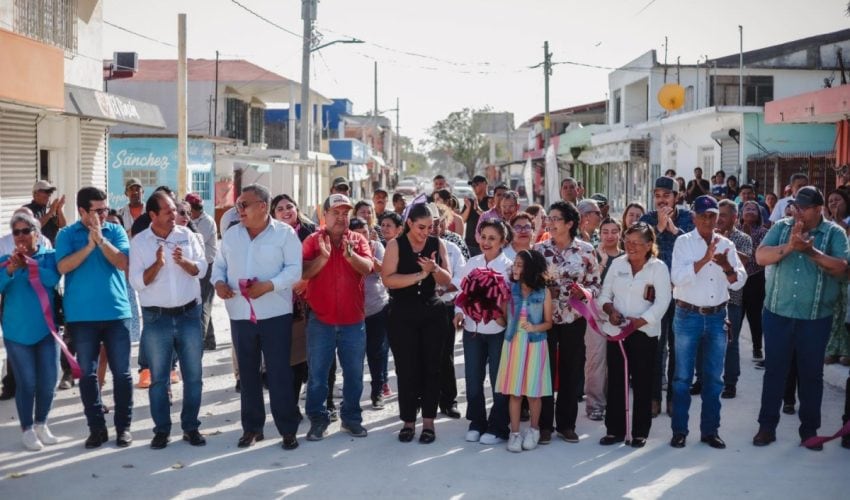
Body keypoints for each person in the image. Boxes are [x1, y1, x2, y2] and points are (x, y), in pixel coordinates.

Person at [752, 186, 850, 451]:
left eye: (804, 207)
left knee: (811, 375)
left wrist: (810, 252)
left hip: (815, 318)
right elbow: (761, 256)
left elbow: (842, 268)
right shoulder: (783, 227)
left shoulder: (834, 233)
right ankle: (766, 427)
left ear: (819, 209)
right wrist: (791, 247)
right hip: (777, 314)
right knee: (775, 372)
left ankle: (809, 432)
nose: (798, 212)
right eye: (796, 206)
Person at [211, 184, 303, 450]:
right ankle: (252, 429)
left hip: (275, 314)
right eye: (238, 204)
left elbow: (294, 271)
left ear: (263, 206)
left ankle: (287, 429)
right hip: (240, 314)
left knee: (279, 374)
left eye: (244, 204)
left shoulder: (284, 234)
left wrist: (269, 285)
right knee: (247, 376)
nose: (238, 209)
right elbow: (219, 267)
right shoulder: (231, 236)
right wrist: (218, 283)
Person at [56, 186, 133, 449]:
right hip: (81, 317)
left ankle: (123, 428)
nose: (104, 214)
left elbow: (123, 262)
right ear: (81, 211)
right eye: (98, 210)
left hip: (116, 313)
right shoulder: (66, 234)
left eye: (106, 209)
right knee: (87, 375)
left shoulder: (116, 230)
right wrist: (89, 246)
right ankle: (97, 428)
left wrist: (101, 240)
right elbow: (63, 266)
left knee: (122, 374)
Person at [129, 192, 207, 449]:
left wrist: (183, 262)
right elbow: (137, 282)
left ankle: (191, 427)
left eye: (175, 210)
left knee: (193, 376)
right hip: (157, 319)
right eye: (168, 211)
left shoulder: (188, 236)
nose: (174, 215)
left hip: (188, 315)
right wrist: (158, 264)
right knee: (159, 379)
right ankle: (161, 430)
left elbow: (202, 269)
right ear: (152, 215)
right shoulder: (140, 243)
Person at [669, 195, 746, 450]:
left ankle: (710, 431)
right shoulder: (683, 242)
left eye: (712, 215)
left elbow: (738, 281)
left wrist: (725, 265)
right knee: (682, 378)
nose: (707, 219)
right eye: (702, 215)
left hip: (716, 318)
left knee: (714, 378)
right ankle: (679, 430)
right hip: (687, 315)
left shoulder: (726, 244)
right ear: (693, 217)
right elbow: (678, 278)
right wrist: (704, 260)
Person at [301, 194, 372, 441]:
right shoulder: (313, 240)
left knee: (353, 374)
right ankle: (318, 419)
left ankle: (351, 419)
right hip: (321, 320)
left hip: (354, 321)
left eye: (345, 213)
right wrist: (323, 257)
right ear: (324, 215)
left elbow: (368, 268)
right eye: (336, 213)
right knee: (318, 375)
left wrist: (351, 256)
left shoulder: (358, 239)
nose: (341, 218)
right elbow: (303, 273)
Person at [382, 203, 452, 444]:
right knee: (407, 368)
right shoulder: (395, 245)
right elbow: (388, 280)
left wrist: (434, 269)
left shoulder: (436, 244)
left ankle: (429, 422)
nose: (426, 231)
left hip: (432, 312)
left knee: (432, 367)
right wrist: (420, 275)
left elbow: (447, 280)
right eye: (421, 226)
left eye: (430, 227)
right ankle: (409, 421)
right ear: (409, 223)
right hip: (402, 313)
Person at [598, 222, 671, 447]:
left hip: (644, 332)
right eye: (628, 242)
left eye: (637, 243)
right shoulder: (617, 264)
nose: (631, 247)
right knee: (617, 381)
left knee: (643, 382)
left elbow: (663, 302)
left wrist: (639, 322)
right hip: (617, 332)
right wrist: (610, 311)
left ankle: (640, 431)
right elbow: (604, 295)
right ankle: (615, 430)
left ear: (649, 245)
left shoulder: (658, 268)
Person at [534, 201, 601, 444]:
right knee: (544, 370)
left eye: (555, 219)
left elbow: (596, 285)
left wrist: (583, 292)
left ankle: (566, 424)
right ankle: (543, 425)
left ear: (570, 223)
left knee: (571, 370)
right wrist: (544, 293)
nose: (550, 223)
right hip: (546, 320)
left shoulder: (586, 250)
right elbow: (529, 285)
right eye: (549, 218)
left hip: (574, 318)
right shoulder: (539, 250)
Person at [0, 213, 61, 450]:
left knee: (49, 380)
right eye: (17, 232)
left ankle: (41, 424)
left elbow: (52, 280)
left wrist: (31, 265)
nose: (22, 236)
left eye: (26, 231)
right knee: (27, 382)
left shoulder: (49, 257)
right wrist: (11, 271)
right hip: (17, 332)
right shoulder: (6, 259)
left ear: (37, 233)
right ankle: (27, 429)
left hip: (46, 330)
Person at [453, 220, 512, 445]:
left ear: (502, 242)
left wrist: (502, 316)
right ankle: (476, 422)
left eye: (492, 238)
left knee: (498, 380)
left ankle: (498, 426)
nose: (486, 242)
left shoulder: (509, 266)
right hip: (472, 331)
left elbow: (511, 301)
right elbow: (462, 293)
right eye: (484, 236)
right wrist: (459, 312)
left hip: (498, 330)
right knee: (473, 379)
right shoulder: (472, 263)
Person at [640, 177, 694, 418]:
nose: (662, 200)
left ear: (676, 196)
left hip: (681, 294)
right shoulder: (647, 219)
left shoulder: (688, 218)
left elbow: (695, 247)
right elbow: (639, 247)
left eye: (666, 195)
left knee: (678, 348)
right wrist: (659, 228)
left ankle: (674, 398)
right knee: (655, 347)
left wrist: (673, 229)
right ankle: (652, 398)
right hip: (653, 294)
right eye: (658, 195)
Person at [691, 200, 753, 399]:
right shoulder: (703, 236)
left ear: (735, 217)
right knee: (700, 341)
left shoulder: (742, 238)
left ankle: (730, 383)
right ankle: (700, 379)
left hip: (731, 299)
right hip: (703, 299)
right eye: (719, 214)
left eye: (724, 215)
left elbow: (744, 261)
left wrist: (727, 247)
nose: (719, 219)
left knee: (730, 343)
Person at [496, 249, 553, 452]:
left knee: (534, 393)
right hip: (514, 343)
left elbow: (548, 323)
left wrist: (534, 327)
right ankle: (515, 433)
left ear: (530, 268)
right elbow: (504, 319)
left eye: (520, 265)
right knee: (515, 392)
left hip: (536, 344)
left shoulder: (544, 292)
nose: (515, 268)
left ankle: (534, 430)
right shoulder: (510, 289)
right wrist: (494, 314)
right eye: (515, 264)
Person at [271, 193, 315, 416]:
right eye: (280, 208)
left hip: (308, 305)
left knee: (305, 359)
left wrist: (306, 280)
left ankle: (318, 405)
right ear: (273, 214)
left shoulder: (310, 233)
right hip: (278, 304)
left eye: (290, 206)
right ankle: (289, 404)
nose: (286, 211)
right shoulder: (267, 237)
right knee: (287, 359)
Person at [348, 217, 391, 409]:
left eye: (364, 232)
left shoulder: (376, 246)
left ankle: (377, 391)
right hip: (352, 312)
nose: (361, 237)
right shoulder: (345, 248)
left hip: (376, 308)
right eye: (357, 233)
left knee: (377, 352)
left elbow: (385, 271)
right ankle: (353, 398)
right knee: (354, 357)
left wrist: (369, 257)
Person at [432, 206, 467, 419]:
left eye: (439, 221)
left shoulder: (452, 248)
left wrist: (443, 288)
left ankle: (448, 400)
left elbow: (461, 278)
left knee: (445, 356)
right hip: (421, 307)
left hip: (444, 307)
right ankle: (424, 400)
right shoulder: (412, 245)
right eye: (430, 222)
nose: (435, 227)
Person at [576, 199, 605, 420]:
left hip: (598, 306)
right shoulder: (574, 242)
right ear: (585, 216)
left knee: (596, 357)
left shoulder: (602, 236)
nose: (600, 215)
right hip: (574, 307)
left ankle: (595, 403)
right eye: (597, 212)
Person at [186, 193, 218, 351]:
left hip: (208, 266)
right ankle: (209, 341)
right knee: (204, 304)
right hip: (198, 266)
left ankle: (199, 341)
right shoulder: (194, 220)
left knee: (204, 304)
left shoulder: (206, 222)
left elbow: (196, 243)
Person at [739, 201, 769, 364]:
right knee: (735, 315)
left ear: (759, 214)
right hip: (737, 277)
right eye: (746, 209)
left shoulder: (765, 232)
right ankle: (731, 348)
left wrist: (748, 236)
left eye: (753, 209)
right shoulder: (733, 231)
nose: (750, 211)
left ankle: (757, 348)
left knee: (754, 315)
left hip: (756, 278)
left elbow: (759, 256)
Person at [25, 180, 67, 244]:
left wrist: (59, 209)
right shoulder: (27, 209)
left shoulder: (49, 208)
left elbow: (62, 225)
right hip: (36, 250)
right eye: (46, 192)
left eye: (50, 192)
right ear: (35, 193)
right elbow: (34, 226)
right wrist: (50, 213)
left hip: (51, 249)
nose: (49, 195)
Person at [462, 175, 489, 256]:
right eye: (472, 185)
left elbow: (491, 219)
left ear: (485, 184)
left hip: (486, 245)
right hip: (469, 244)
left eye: (476, 184)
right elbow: (462, 220)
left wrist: (478, 209)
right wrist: (468, 208)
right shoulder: (470, 201)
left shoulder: (491, 201)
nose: (473, 187)